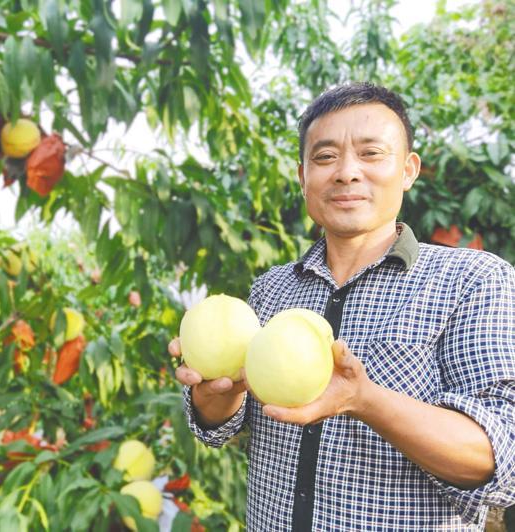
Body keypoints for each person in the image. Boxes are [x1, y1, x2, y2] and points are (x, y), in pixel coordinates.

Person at [169, 82, 515, 531]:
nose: (347, 172)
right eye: (326, 156)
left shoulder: (473, 280)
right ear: (303, 176)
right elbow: (219, 425)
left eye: (371, 153)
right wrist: (215, 393)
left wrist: (364, 400)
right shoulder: (271, 290)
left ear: (408, 170)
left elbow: (501, 459)